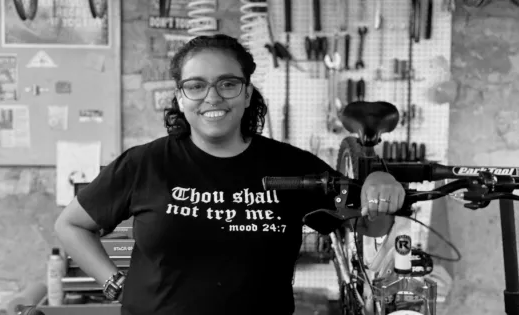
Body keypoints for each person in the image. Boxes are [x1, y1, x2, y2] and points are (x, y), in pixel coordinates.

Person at [54, 34, 405, 315]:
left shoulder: (292, 166)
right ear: (179, 97)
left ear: (247, 92)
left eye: (227, 84)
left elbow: (368, 226)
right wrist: (114, 282)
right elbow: (70, 226)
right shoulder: (145, 163)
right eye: (196, 85)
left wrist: (379, 183)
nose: (212, 97)